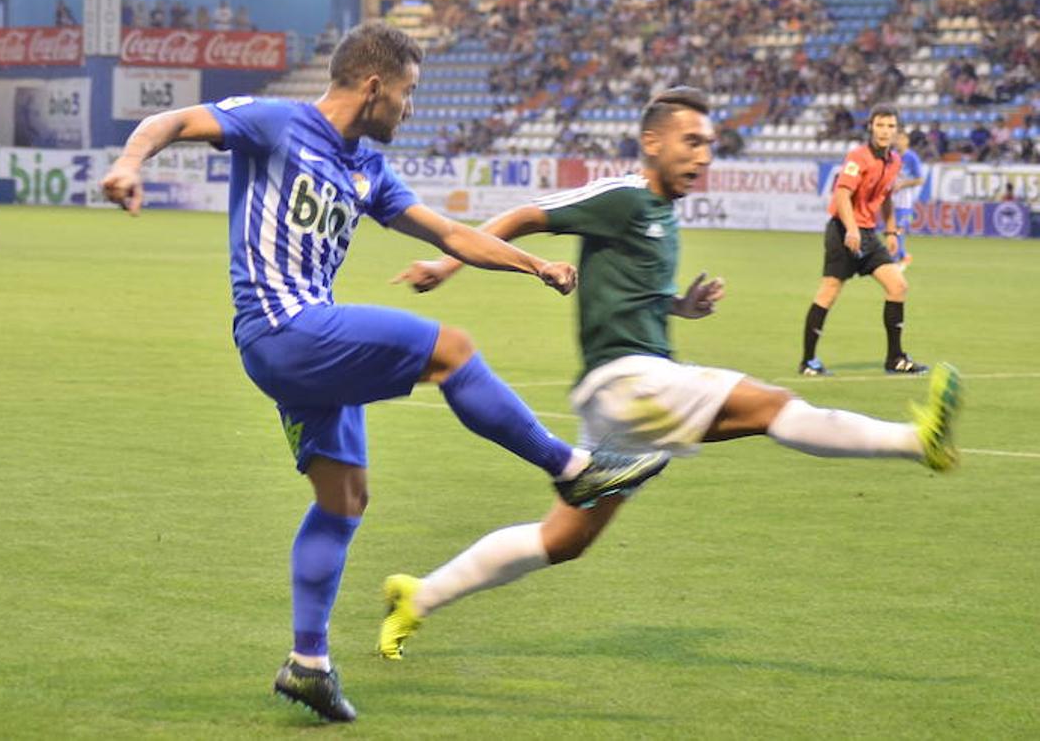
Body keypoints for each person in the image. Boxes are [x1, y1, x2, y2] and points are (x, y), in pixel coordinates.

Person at [99, 23, 668, 724]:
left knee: (343, 501)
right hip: (284, 330)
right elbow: (171, 119)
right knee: (450, 349)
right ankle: (571, 467)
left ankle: (308, 664)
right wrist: (130, 163)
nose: (409, 107)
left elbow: (452, 235)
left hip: (304, 349)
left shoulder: (367, 169)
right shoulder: (277, 124)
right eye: (408, 92)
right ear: (374, 85)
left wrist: (535, 264)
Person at [376, 87, 963, 661]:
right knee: (772, 406)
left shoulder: (662, 215)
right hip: (628, 384)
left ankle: (418, 596)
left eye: (709, 143)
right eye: (691, 141)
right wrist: (446, 264)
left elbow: (635, 299)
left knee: (565, 539)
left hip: (623, 398)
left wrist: (680, 306)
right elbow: (524, 216)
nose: (703, 154)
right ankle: (917, 441)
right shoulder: (625, 197)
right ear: (652, 142)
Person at [800, 104, 926, 377]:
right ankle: (808, 361)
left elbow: (887, 197)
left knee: (898, 285)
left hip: (868, 234)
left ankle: (895, 358)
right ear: (870, 126)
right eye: (880, 125)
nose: (885, 131)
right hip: (843, 231)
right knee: (829, 292)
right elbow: (842, 194)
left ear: (897, 130)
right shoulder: (858, 157)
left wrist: (891, 231)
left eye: (891, 126)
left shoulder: (895, 161)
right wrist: (851, 229)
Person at [891, 131, 924, 269]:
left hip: (905, 201)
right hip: (892, 200)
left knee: (899, 229)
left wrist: (903, 184)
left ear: (906, 141)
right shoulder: (891, 156)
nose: (897, 141)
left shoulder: (912, 158)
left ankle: (901, 257)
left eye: (900, 138)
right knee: (893, 229)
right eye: (896, 138)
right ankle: (900, 256)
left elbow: (920, 180)